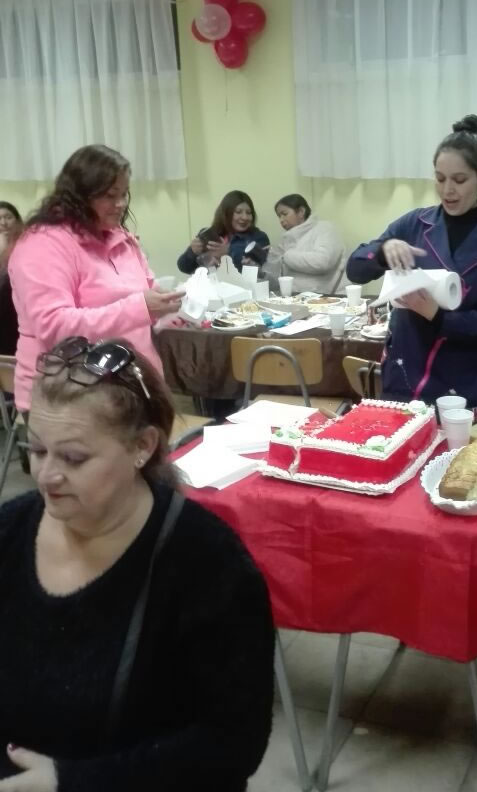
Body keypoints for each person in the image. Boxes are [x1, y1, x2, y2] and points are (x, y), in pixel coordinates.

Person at [0, 335, 274, 791]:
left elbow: (233, 742)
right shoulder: (9, 532)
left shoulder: (207, 566)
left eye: (73, 458)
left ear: (142, 446)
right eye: (37, 450)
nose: (46, 475)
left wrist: (76, 781)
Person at [346, 115, 477, 417]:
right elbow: (355, 269)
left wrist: (437, 316)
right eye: (440, 179)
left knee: (461, 450)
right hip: (406, 374)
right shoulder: (415, 224)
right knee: (402, 445)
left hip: (464, 384)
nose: (447, 190)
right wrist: (383, 251)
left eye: (459, 180)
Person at [7, 145, 182, 415]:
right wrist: (140, 308)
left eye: (124, 194)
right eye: (110, 195)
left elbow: (146, 293)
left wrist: (170, 308)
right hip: (66, 399)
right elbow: (54, 327)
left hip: (127, 388)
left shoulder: (120, 236)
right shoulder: (43, 244)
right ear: (79, 195)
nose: (121, 204)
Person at [264, 193, 346, 295]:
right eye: (279, 216)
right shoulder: (286, 240)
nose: (281, 220)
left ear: (301, 212)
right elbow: (280, 279)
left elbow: (322, 262)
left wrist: (286, 256)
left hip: (331, 298)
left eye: (284, 214)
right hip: (298, 299)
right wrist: (267, 261)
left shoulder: (325, 228)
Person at [177, 191, 269, 275]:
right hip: (210, 286)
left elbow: (263, 272)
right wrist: (192, 252)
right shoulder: (209, 234)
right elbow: (184, 268)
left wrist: (228, 254)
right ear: (226, 213)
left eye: (249, 213)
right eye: (238, 212)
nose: (245, 217)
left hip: (241, 287)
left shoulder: (259, 238)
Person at [0, 202, 23, 358]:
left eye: (8, 217)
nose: (3, 222)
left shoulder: (25, 243)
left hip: (16, 313)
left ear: (17, 220)